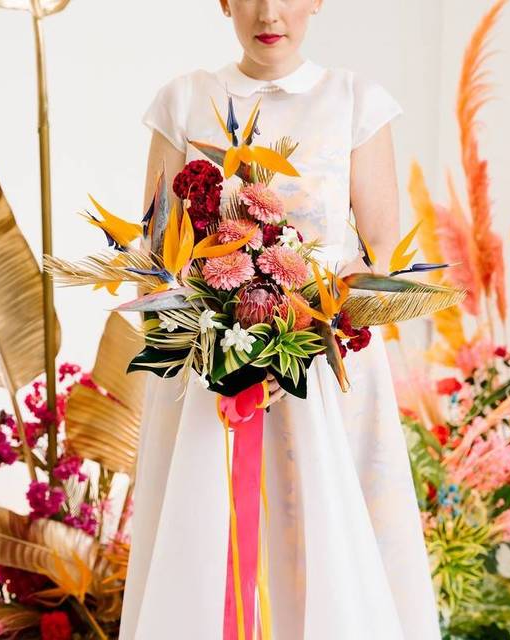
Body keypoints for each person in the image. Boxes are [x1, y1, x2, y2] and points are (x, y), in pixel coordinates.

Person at [120, 1, 440, 638]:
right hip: (213, 362)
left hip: (322, 359)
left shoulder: (356, 101)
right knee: (208, 524)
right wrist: (221, 311)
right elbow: (158, 249)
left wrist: (297, 308)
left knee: (327, 522)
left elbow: (381, 255)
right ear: (224, 3)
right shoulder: (184, 100)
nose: (270, 13)